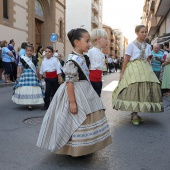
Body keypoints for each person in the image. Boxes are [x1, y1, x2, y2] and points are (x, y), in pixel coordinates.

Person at [37, 28, 112, 157]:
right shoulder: (72, 60)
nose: (89, 43)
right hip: (74, 92)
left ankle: (87, 145)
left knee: (88, 117)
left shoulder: (83, 57)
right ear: (77, 42)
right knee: (75, 119)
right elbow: (70, 82)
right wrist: (72, 102)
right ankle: (75, 147)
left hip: (86, 91)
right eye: (87, 41)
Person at [112, 25, 164, 125]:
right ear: (136, 33)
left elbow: (148, 60)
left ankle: (136, 113)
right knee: (134, 89)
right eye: (142, 32)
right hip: (133, 68)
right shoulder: (131, 45)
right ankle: (134, 114)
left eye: (145, 32)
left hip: (145, 68)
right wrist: (122, 74)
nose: (144, 34)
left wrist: (150, 71)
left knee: (143, 89)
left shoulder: (149, 46)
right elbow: (126, 60)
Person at [12, 45, 44, 111]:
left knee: (32, 88)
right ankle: (26, 102)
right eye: (28, 51)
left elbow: (37, 67)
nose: (29, 52)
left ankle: (30, 104)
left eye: (31, 51)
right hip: (25, 75)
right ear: (25, 51)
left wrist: (39, 76)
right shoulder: (22, 58)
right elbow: (20, 67)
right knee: (25, 88)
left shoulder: (35, 58)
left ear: (33, 51)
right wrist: (18, 76)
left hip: (32, 75)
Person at [87, 29, 108, 97]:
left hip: (98, 81)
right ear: (98, 39)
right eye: (105, 38)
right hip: (91, 81)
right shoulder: (90, 52)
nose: (106, 40)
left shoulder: (102, 54)